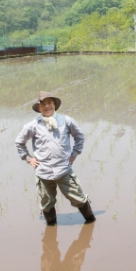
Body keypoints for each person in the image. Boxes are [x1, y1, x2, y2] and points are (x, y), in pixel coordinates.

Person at [15, 91, 95, 226]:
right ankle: (51, 228)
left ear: (54, 105)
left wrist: (74, 153)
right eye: (43, 104)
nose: (47, 106)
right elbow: (19, 142)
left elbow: (79, 136)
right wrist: (28, 158)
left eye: (49, 103)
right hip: (43, 172)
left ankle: (91, 222)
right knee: (47, 202)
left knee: (79, 198)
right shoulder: (33, 125)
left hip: (64, 170)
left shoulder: (66, 121)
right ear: (39, 107)